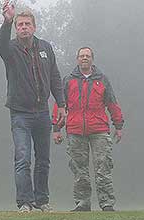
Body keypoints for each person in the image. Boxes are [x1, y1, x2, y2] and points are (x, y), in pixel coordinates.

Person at [0, 1, 66, 212]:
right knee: (23, 158)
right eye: (20, 24)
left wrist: (61, 104)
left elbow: (54, 76)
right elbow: (0, 44)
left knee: (43, 160)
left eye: (27, 24)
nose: (24, 27)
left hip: (43, 112)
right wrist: (7, 22)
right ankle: (24, 203)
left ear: (34, 27)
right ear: (16, 28)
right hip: (20, 114)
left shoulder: (45, 47)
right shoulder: (11, 49)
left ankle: (42, 201)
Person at [52, 47, 124, 211]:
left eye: (87, 56)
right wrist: (56, 128)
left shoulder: (102, 79)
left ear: (92, 59)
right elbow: (60, 106)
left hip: (99, 129)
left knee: (103, 167)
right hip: (75, 130)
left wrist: (118, 126)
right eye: (81, 56)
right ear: (77, 59)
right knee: (79, 169)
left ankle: (106, 204)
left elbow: (112, 103)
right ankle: (82, 203)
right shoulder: (68, 80)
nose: (84, 58)